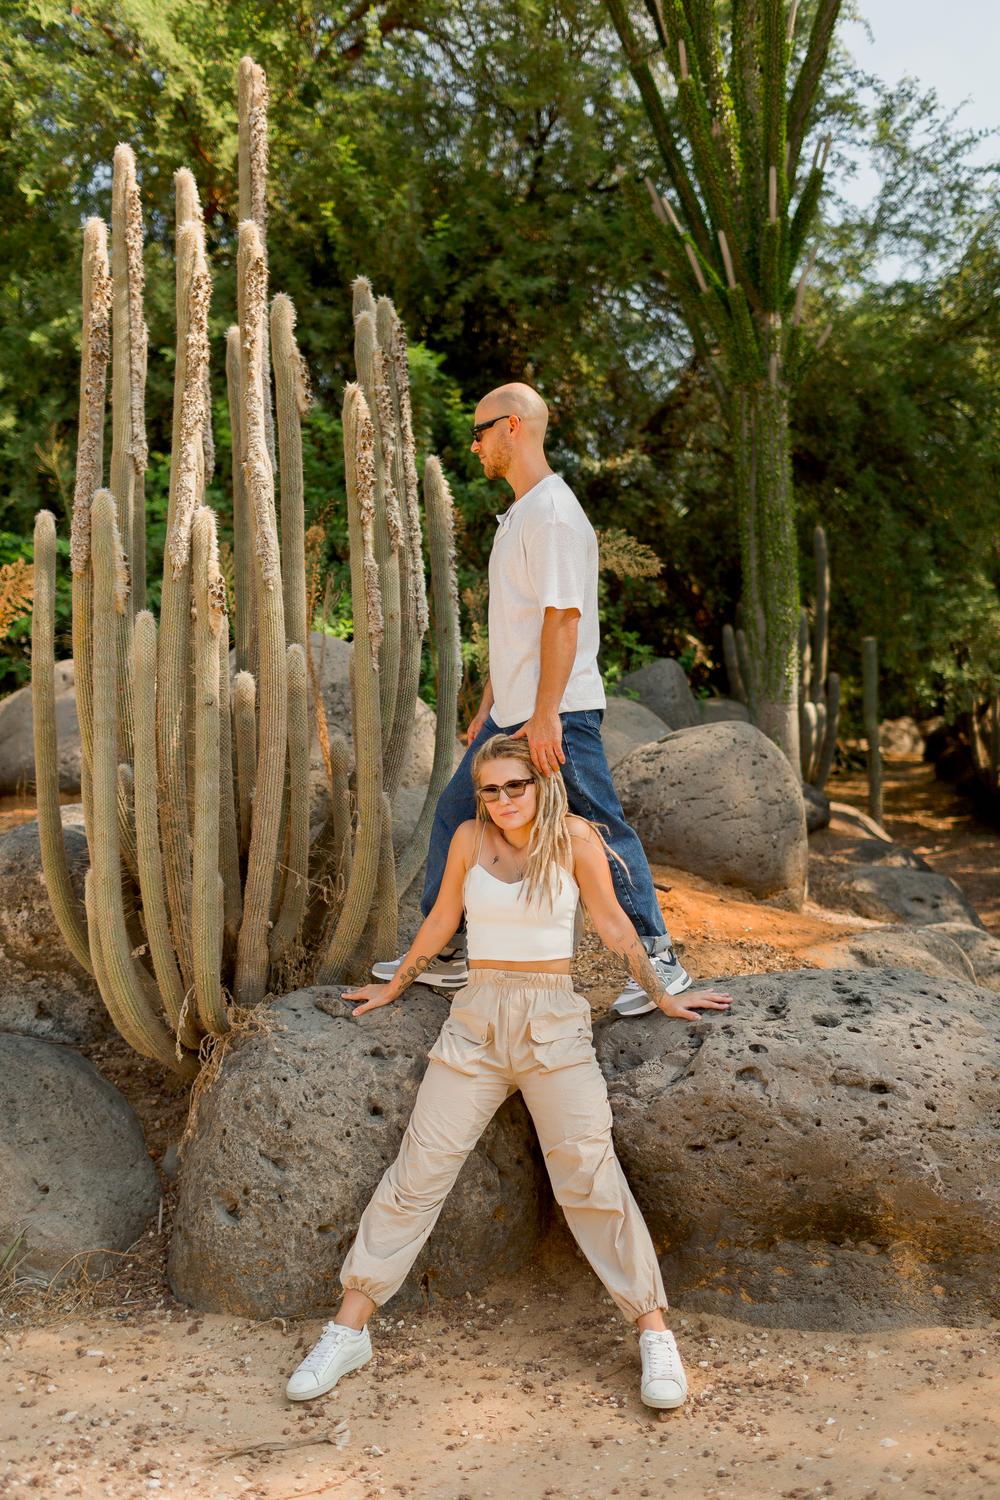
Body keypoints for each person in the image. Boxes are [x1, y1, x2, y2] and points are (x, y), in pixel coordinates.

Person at [286, 735, 732, 1408]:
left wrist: (664, 994)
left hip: (553, 1021)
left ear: (540, 782)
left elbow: (613, 927)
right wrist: (395, 983)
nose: (502, 801)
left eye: (514, 786)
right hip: (476, 1021)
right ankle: (348, 1332)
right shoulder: (468, 838)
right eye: (489, 790)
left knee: (588, 1174)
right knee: (419, 1170)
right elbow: (440, 924)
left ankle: (653, 1335)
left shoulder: (576, 838)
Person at [372, 382, 686, 1016]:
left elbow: (564, 619)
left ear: (512, 427)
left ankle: (658, 960)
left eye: (481, 431)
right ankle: (456, 952)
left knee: (598, 825)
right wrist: (493, 699)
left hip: (556, 712)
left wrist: (544, 714)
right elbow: (522, 620)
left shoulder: (552, 514)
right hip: (515, 714)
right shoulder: (521, 513)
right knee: (456, 815)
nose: (475, 444)